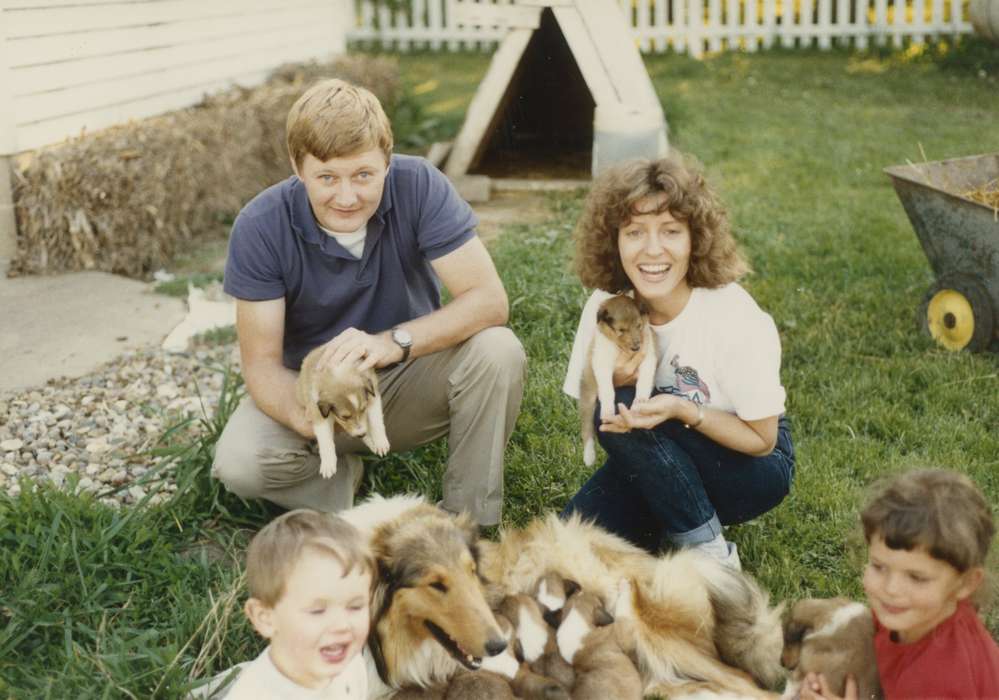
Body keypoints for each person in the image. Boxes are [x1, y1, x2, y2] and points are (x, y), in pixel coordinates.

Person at [212, 78, 526, 526]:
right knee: (240, 463)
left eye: (363, 174)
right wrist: (306, 418)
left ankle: (466, 523)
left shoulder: (419, 184)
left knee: (499, 350)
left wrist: (392, 342)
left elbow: (489, 301)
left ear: (387, 159)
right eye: (326, 178)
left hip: (405, 376)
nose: (346, 197)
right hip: (317, 392)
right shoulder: (259, 225)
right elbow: (261, 364)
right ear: (297, 168)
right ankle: (348, 490)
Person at [561, 154, 795, 568]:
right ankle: (672, 512)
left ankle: (710, 557)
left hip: (748, 466)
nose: (652, 250)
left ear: (696, 239)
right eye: (634, 232)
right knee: (568, 549)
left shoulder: (733, 315)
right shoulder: (604, 308)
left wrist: (683, 409)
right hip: (655, 461)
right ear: (613, 240)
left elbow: (763, 441)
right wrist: (611, 384)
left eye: (670, 231)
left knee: (629, 402)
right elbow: (597, 415)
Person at [803, 468, 999, 700]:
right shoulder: (913, 614)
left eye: (916, 577)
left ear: (966, 583)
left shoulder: (938, 681)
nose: (890, 589)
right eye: (878, 566)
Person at [227, 509, 374, 699]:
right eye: (317, 611)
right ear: (265, 619)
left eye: (356, 607)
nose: (342, 625)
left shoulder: (350, 664)